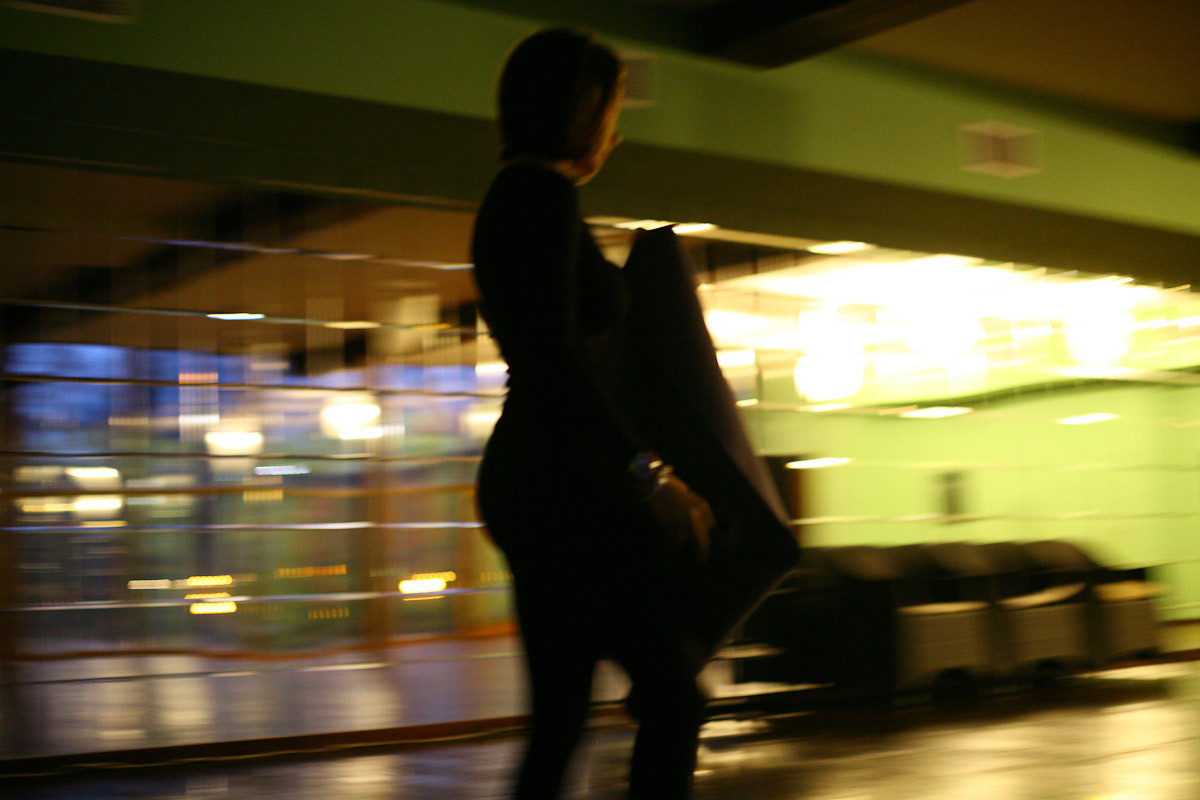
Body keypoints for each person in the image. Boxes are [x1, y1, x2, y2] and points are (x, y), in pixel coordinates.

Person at [471, 26, 717, 800]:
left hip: (537, 481)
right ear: (578, 111)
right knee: (674, 700)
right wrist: (650, 473)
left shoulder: (522, 199)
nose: (617, 129)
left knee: (561, 724)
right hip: (567, 489)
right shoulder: (539, 201)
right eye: (612, 109)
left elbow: (553, 357)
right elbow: (555, 366)